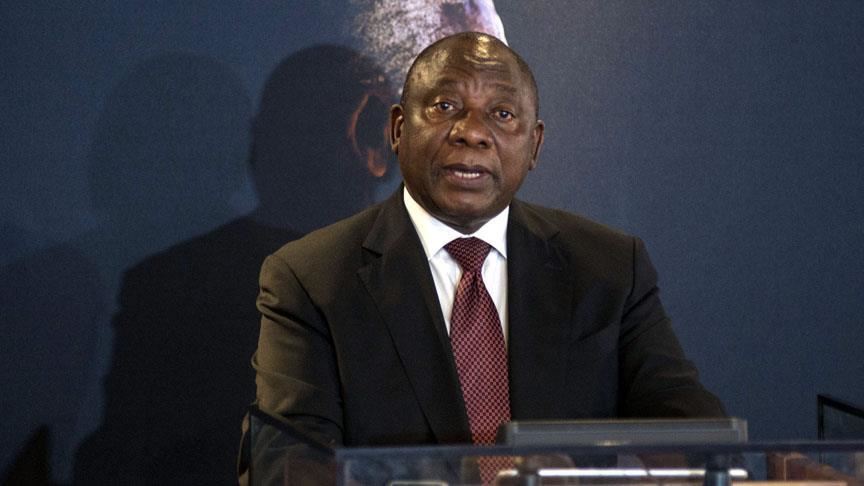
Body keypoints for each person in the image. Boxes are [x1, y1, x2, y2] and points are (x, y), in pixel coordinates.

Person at [247, 31, 725, 482]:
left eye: (502, 114)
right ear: (397, 129)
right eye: (445, 106)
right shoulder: (312, 278)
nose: (472, 133)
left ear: (534, 145)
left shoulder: (610, 268)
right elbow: (288, 465)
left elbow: (693, 431)